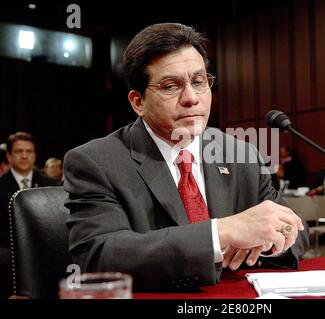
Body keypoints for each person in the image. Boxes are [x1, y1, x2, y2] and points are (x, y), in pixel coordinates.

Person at [63, 23, 309, 292]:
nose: (192, 98)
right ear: (138, 102)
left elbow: (294, 228)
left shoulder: (241, 154)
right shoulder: (95, 162)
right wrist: (220, 234)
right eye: (171, 86)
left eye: (199, 81)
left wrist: (266, 244)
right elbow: (101, 256)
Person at [0, 131, 57, 298]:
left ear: (35, 155)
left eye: (29, 151)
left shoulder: (52, 185)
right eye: (19, 151)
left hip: (47, 247)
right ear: (9, 156)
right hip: (9, 251)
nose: (24, 156)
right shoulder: (1, 186)